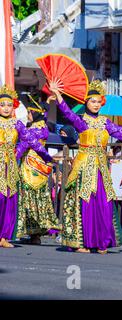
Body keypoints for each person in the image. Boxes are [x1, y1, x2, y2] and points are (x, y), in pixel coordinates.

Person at [48, 78, 122, 254]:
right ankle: (82, 242)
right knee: (84, 204)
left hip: (100, 169)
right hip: (84, 168)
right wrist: (58, 94)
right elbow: (67, 112)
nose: (96, 105)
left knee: (102, 203)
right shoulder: (82, 121)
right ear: (86, 102)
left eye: (98, 102)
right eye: (92, 101)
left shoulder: (105, 123)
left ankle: (100, 241)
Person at [0, 85, 53, 248]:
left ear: (14, 106)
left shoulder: (18, 124)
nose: (6, 108)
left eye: (9, 105)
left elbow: (31, 141)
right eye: (2, 104)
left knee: (9, 199)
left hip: (10, 166)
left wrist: (47, 156)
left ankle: (4, 237)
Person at [15, 92, 61, 244]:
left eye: (30, 112)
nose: (28, 114)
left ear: (35, 113)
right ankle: (36, 235)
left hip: (30, 166)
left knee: (27, 198)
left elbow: (22, 146)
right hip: (40, 167)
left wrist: (12, 157)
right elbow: (44, 115)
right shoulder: (43, 126)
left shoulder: (33, 130)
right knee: (39, 199)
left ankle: (28, 231)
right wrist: (47, 103)